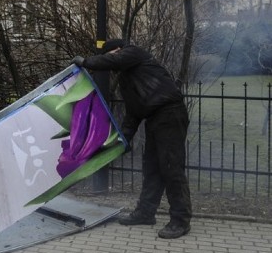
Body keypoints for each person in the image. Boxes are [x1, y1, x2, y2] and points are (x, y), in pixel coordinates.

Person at [73, 39, 191, 239]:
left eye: (111, 55)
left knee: (171, 167)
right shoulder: (129, 78)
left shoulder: (134, 52)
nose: (111, 61)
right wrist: (123, 141)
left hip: (170, 113)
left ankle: (181, 220)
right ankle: (146, 212)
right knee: (152, 167)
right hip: (155, 118)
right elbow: (133, 113)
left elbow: (112, 61)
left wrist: (86, 62)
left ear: (117, 50)